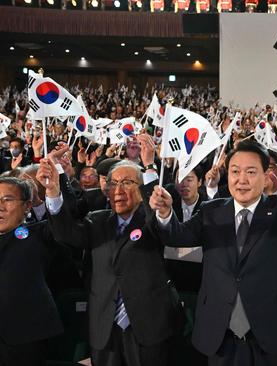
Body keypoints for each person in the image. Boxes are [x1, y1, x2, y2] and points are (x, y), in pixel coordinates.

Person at [150, 139, 277, 366]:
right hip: (221, 329)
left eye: (251, 172)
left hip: (271, 328)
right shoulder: (211, 210)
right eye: (235, 171)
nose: (242, 180)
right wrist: (165, 213)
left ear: (266, 175)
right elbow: (177, 236)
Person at [37, 136, 183, 366]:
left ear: (141, 188)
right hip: (104, 326)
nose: (118, 189)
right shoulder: (97, 221)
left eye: (127, 183)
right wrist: (53, 192)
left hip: (148, 327)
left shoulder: (152, 221)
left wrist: (149, 166)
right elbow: (66, 233)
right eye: (113, 183)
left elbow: (161, 219)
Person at [0, 177, 64, 366]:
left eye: (7, 199)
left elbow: (61, 228)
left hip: (23, 338)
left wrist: (50, 192)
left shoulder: (38, 234)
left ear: (27, 206)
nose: (0, 207)